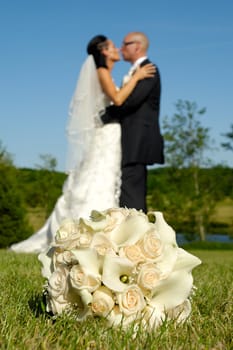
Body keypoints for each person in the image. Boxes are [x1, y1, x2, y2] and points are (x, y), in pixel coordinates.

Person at [10, 34, 155, 253]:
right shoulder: (102, 72)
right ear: (104, 51)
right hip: (106, 135)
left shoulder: (105, 72)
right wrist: (136, 78)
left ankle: (105, 234)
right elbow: (117, 99)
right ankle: (87, 231)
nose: (117, 48)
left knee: (103, 179)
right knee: (98, 178)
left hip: (110, 135)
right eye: (112, 46)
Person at [101, 32, 164, 213]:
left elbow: (131, 102)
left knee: (133, 193)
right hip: (128, 140)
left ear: (137, 46)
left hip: (137, 142)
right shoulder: (136, 72)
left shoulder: (149, 70)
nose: (121, 48)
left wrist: (102, 117)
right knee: (126, 190)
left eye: (125, 44)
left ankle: (138, 237)